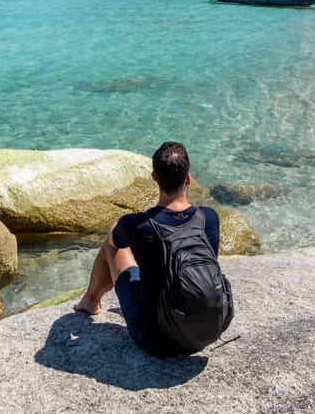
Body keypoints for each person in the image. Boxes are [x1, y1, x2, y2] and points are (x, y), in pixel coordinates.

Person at [73, 141, 223, 357]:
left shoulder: (140, 225)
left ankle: (90, 302)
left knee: (112, 241)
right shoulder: (209, 218)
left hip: (157, 340)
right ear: (188, 178)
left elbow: (116, 242)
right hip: (207, 333)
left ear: (154, 177)